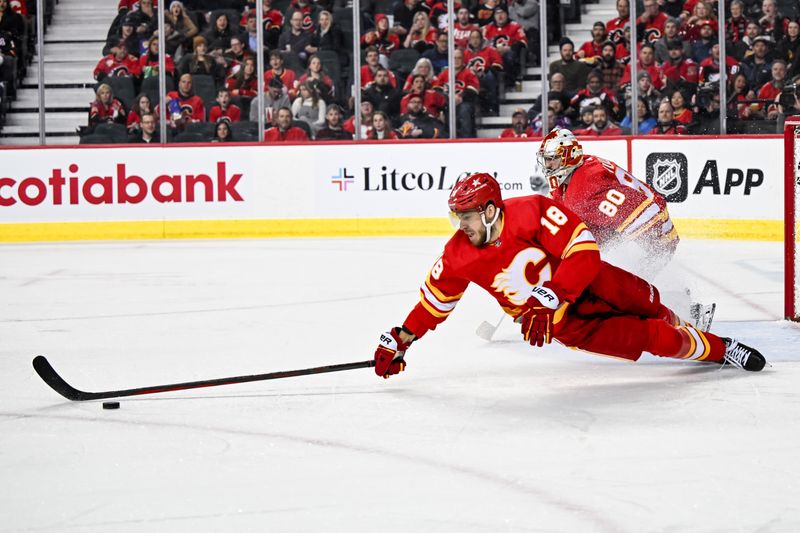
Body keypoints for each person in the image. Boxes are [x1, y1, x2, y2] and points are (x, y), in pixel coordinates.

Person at [372, 172, 766, 381]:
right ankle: (720, 348)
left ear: (491, 210)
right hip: (569, 325)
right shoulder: (457, 256)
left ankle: (697, 336)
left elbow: (583, 250)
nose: (461, 226)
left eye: (467, 217)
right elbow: (433, 305)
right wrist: (401, 340)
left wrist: (553, 294)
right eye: (457, 218)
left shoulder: (532, 210)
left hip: (593, 281)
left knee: (654, 308)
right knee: (652, 338)